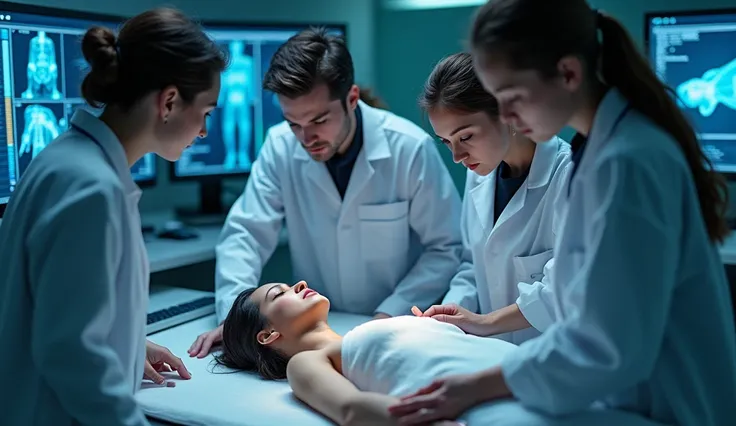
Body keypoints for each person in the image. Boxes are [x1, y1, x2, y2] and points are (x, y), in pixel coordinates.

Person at [388, 1, 736, 425]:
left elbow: (607, 346)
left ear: (569, 74)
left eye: (511, 99)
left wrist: (478, 383)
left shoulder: (627, 162)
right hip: (607, 392)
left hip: (666, 403)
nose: (507, 117)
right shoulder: (603, 153)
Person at [0, 8, 227, 425]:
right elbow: (73, 360)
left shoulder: (66, 160)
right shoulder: (92, 188)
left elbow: (56, 313)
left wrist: (126, 344)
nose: (204, 133)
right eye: (207, 112)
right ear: (170, 101)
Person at [188, 27, 462, 358]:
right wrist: (236, 318)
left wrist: (389, 313)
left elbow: (445, 248)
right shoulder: (280, 146)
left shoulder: (408, 148)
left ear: (351, 99)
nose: (306, 138)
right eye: (293, 123)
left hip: (395, 324)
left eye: (319, 120)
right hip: (315, 331)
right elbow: (246, 235)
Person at [212, 281, 664, 426]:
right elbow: (351, 409)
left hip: (542, 381)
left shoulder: (373, 327)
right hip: (491, 411)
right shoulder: (305, 362)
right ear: (268, 336)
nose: (298, 284)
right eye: (281, 292)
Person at [417, 52, 572, 344]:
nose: (457, 157)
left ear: (508, 114)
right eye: (447, 142)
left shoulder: (570, 176)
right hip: (494, 358)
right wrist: (446, 317)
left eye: (465, 137)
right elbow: (472, 267)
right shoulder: (480, 171)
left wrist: (485, 323)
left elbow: (564, 288)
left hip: (553, 363)